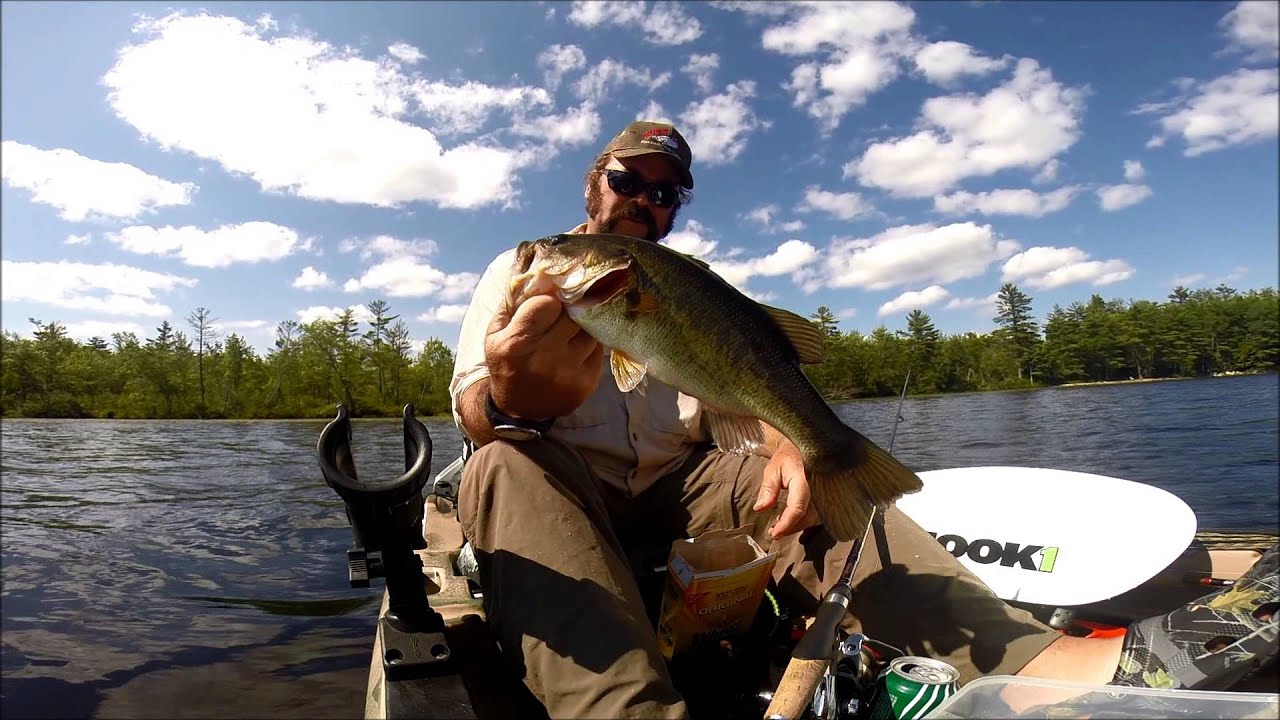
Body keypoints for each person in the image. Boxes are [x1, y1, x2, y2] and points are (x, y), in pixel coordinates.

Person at [447, 120, 1278, 718]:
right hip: (561, 488)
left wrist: (785, 439)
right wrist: (515, 403)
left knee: (808, 470)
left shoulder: (690, 281)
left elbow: (738, 384)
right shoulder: (522, 266)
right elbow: (473, 413)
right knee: (501, 464)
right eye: (628, 181)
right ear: (594, 186)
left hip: (680, 489)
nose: (645, 200)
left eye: (665, 193)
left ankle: (1038, 665)